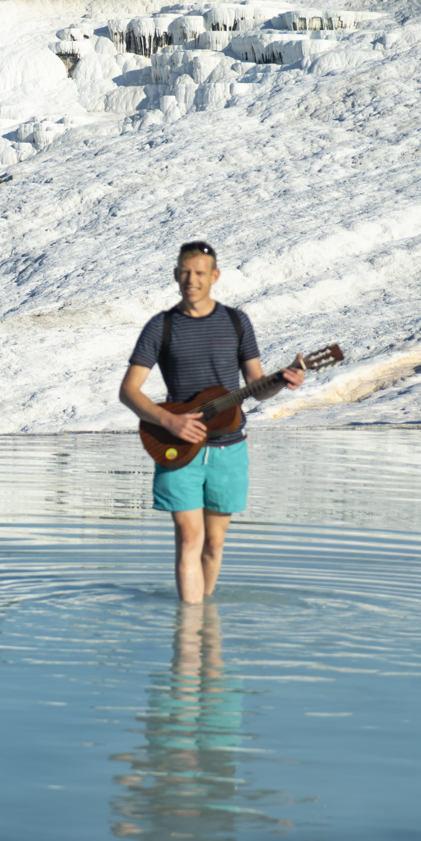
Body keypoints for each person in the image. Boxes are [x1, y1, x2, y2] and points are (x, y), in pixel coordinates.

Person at [119, 241, 304, 603]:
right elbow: (129, 391)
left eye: (200, 273)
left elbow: (256, 387)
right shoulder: (161, 327)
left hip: (229, 449)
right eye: (186, 272)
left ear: (214, 276)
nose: (192, 280)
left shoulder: (236, 322)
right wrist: (169, 422)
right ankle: (188, 642)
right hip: (179, 448)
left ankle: (205, 627)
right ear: (175, 275)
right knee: (190, 538)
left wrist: (283, 380)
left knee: (214, 543)